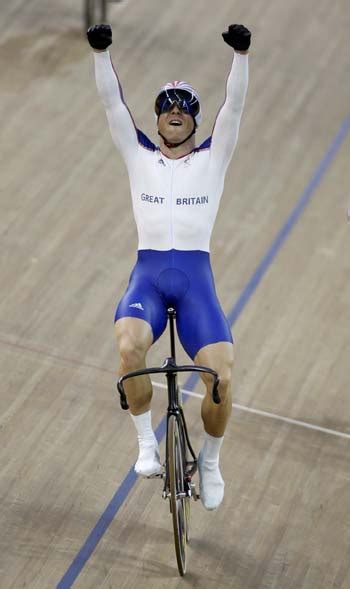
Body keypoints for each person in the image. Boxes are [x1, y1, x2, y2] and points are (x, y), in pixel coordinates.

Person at [87, 22, 250, 510]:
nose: (176, 111)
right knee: (129, 347)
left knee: (220, 375)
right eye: (167, 106)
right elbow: (113, 104)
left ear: (196, 123)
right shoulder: (137, 154)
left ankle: (213, 461)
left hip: (196, 280)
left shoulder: (213, 157)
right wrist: (101, 52)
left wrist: (241, 55)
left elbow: (235, 106)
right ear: (156, 120)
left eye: (186, 107)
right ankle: (145, 445)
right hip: (149, 278)